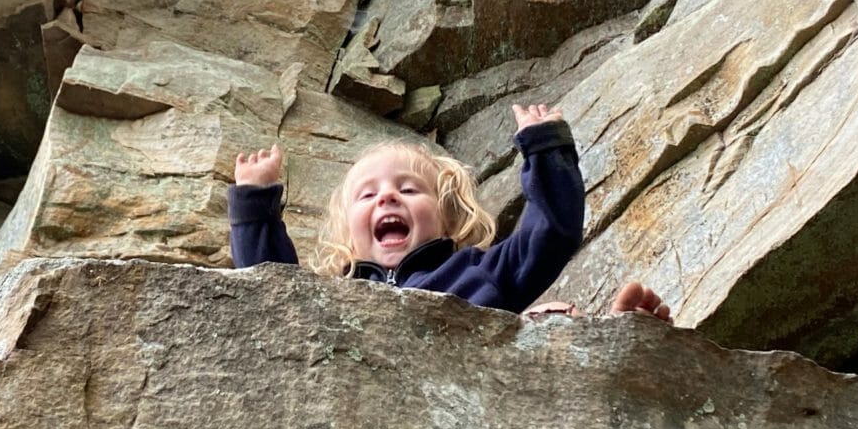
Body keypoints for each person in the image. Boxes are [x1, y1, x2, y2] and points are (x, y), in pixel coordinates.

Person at [229, 103, 671, 321]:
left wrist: (546, 146)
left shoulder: (478, 272)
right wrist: (255, 203)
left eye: (407, 188)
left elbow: (551, 234)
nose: (387, 198)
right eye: (367, 196)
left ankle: (614, 342)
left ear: (448, 217)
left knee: (549, 324)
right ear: (346, 234)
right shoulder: (336, 298)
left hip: (478, 397)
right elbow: (274, 294)